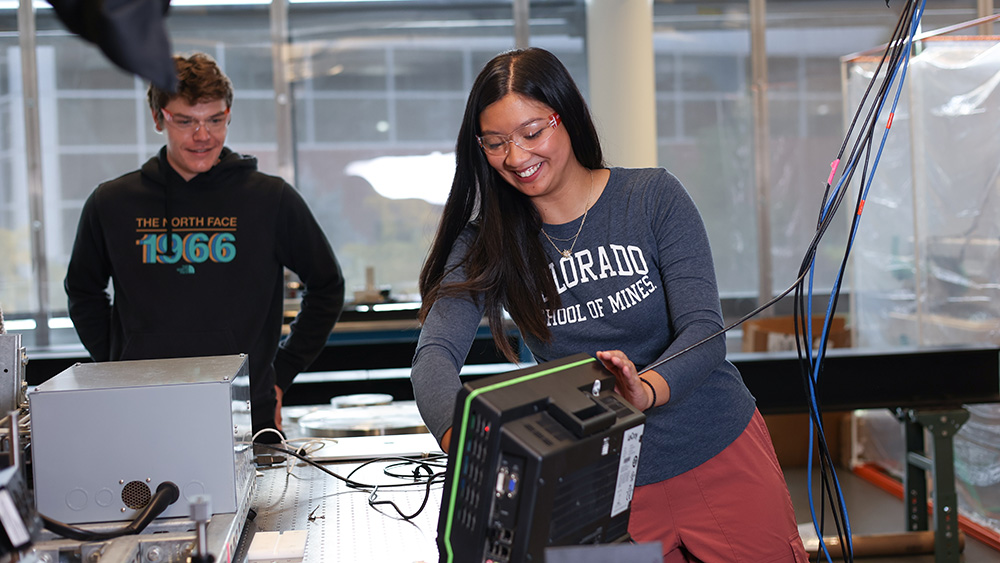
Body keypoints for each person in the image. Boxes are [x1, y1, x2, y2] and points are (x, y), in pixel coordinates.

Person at [410, 47, 808, 562]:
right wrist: (465, 443)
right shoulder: (486, 243)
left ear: (567, 115)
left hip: (715, 449)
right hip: (593, 486)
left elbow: (704, 330)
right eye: (495, 142)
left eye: (532, 132)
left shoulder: (652, 197)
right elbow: (433, 358)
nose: (516, 156)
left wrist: (643, 389)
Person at [64, 52, 345, 438]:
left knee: (254, 502)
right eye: (186, 121)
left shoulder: (270, 199)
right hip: (139, 407)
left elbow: (327, 286)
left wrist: (281, 371)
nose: (203, 136)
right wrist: (119, 366)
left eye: (215, 120)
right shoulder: (112, 202)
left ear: (228, 115)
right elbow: (83, 291)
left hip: (245, 411)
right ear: (158, 117)